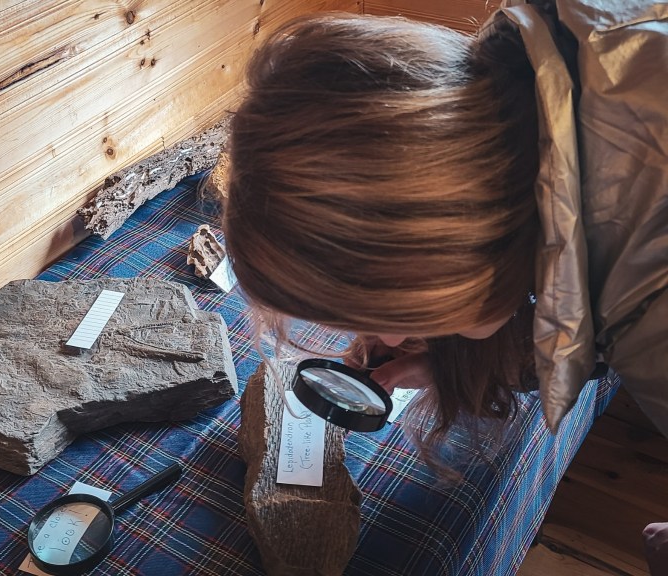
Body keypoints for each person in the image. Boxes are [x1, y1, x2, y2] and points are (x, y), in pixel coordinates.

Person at [221, 0, 667, 572]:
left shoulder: (655, 309)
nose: (386, 338)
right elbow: (579, 297)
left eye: (379, 310)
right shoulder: (573, 78)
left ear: (434, 247)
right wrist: (463, 358)